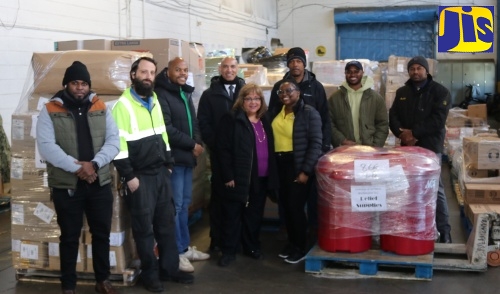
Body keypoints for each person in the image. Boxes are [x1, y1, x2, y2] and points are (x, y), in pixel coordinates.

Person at [36, 61, 120, 294]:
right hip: (67, 185)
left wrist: (93, 164)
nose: (80, 87)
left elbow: (114, 142)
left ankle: (103, 281)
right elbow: (46, 147)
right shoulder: (50, 109)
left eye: (84, 83)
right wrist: (79, 169)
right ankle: (69, 286)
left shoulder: (101, 107)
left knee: (101, 234)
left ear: (88, 85)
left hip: (98, 182)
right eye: (75, 83)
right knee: (70, 237)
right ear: (66, 84)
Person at [111, 57, 193, 293]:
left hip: (160, 172)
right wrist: (129, 175)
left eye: (152, 72)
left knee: (165, 225)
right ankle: (150, 274)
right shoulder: (122, 106)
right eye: (143, 72)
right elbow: (119, 144)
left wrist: (168, 163)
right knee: (144, 228)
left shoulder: (154, 99)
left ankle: (169, 268)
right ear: (133, 75)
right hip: (140, 177)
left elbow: (163, 134)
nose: (148, 76)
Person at [389, 56, 452, 243]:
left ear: (426, 70)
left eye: (419, 68)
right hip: (407, 148)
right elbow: (393, 116)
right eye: (412, 69)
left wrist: (414, 133)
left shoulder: (440, 92)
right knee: (407, 188)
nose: (415, 72)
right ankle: (411, 228)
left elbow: (438, 120)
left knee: (435, 188)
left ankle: (444, 231)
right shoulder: (402, 92)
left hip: (430, 147)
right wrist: (402, 135)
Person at [154, 57, 209, 273]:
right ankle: (176, 251)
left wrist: (198, 142)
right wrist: (192, 144)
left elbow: (194, 122)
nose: (182, 73)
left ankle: (184, 247)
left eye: (185, 70)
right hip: (175, 158)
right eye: (178, 70)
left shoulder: (184, 93)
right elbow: (166, 128)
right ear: (168, 71)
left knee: (184, 204)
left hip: (187, 157)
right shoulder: (162, 94)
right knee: (175, 206)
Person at [268, 47, 330, 238]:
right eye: (292, 61)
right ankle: (288, 231)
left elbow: (325, 118)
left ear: (304, 63)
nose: (295, 64)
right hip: (283, 153)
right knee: (287, 198)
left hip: (308, 151)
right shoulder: (280, 86)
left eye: (298, 61)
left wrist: (323, 147)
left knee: (309, 196)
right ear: (288, 64)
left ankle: (310, 231)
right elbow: (272, 116)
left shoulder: (315, 86)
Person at [215, 83, 279, 267]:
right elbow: (222, 149)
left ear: (261, 101)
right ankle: (228, 250)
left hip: (261, 177)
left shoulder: (264, 120)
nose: (253, 102)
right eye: (249, 98)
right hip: (238, 177)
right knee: (232, 215)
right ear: (241, 101)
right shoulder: (231, 119)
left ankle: (251, 247)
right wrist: (228, 176)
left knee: (254, 215)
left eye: (256, 98)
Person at [270, 79, 322, 263]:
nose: (284, 94)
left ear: (298, 92)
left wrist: (306, 171)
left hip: (297, 165)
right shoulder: (278, 111)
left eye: (289, 91)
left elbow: (316, 144)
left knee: (296, 208)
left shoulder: (309, 113)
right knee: (286, 207)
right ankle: (292, 243)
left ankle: (300, 248)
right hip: (280, 164)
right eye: (281, 92)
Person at [197, 57, 246, 253]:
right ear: (220, 69)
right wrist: (215, 144)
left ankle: (238, 239)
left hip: (242, 155)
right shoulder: (210, 95)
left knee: (240, 197)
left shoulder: (245, 92)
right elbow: (203, 122)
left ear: (237, 69)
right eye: (225, 67)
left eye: (233, 66)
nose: (229, 70)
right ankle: (216, 239)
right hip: (219, 154)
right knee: (219, 198)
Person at [328, 60, 388, 148]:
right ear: (345, 73)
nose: (353, 75)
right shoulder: (335, 98)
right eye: (349, 72)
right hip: (345, 150)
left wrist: (375, 146)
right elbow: (329, 123)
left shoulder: (375, 98)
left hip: (369, 150)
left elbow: (382, 124)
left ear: (362, 73)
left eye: (356, 71)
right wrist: (342, 140)